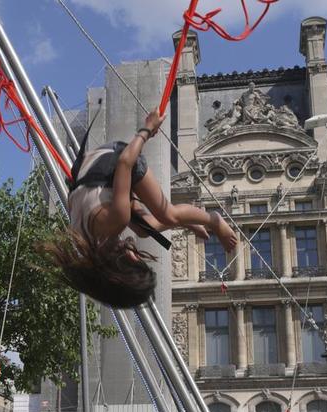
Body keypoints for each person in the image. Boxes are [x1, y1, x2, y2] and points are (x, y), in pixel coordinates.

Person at [38, 108, 237, 308]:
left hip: (114, 160)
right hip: (93, 176)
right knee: (144, 229)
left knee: (167, 214)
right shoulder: (86, 244)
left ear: (125, 261)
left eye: (137, 259)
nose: (137, 254)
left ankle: (214, 220)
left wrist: (147, 129)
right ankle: (186, 221)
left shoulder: (116, 220)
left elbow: (125, 162)